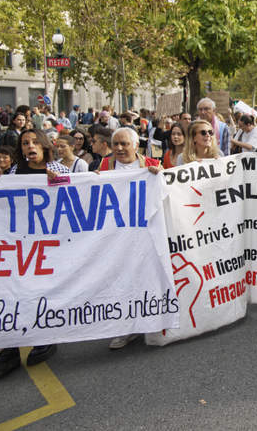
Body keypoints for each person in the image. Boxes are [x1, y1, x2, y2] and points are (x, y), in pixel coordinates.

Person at [0, 129, 69, 374]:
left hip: (50, 243)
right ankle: (12, 348)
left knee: (42, 291)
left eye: (34, 142)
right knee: (17, 292)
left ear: (44, 146)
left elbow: (77, 195)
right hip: (20, 244)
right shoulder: (12, 173)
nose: (29, 146)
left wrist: (57, 182)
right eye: (24, 143)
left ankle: (45, 339)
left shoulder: (60, 170)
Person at [96, 127, 162, 350]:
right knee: (120, 281)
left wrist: (160, 175)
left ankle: (151, 322)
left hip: (147, 233)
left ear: (136, 146)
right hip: (117, 236)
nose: (120, 148)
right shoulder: (104, 166)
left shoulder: (151, 164)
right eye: (116, 144)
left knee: (148, 277)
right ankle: (124, 329)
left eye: (125, 144)